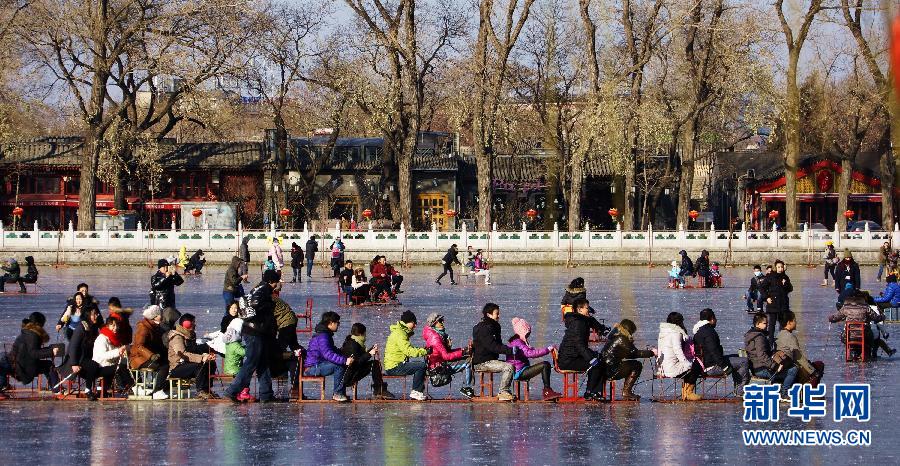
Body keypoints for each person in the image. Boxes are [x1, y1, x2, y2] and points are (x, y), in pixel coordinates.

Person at [226, 269, 280, 403]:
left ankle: (266, 394)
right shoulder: (264, 288)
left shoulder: (258, 287)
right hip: (254, 331)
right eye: (276, 282)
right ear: (271, 281)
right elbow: (256, 303)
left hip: (256, 330)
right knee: (251, 362)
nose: (276, 285)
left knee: (262, 363)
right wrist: (270, 305)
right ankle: (233, 390)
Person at [557, 298, 609, 400]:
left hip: (573, 356)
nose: (588, 310)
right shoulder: (578, 323)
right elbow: (579, 344)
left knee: (599, 359)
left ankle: (592, 391)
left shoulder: (580, 320)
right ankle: (591, 392)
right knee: (597, 364)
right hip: (569, 360)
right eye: (586, 308)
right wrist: (591, 358)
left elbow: (591, 321)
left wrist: (602, 329)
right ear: (579, 309)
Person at [693, 309, 750, 395]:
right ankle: (740, 391)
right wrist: (724, 367)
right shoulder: (709, 332)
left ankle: (737, 388)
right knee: (743, 361)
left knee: (737, 357)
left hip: (705, 363)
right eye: (715, 318)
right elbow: (714, 351)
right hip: (711, 366)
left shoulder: (698, 331)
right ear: (712, 319)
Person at [506, 317, 562, 401]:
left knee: (545, 365)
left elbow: (528, 352)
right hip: (519, 372)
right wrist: (548, 349)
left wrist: (531, 349)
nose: (528, 336)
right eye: (527, 333)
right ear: (522, 332)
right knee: (545, 365)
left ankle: (548, 390)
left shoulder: (516, 341)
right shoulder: (518, 342)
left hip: (521, 369)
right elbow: (530, 354)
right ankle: (547, 391)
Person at [829, 290, 896, 358]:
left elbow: (834, 318)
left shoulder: (846, 307)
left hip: (847, 336)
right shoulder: (865, 307)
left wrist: (831, 318)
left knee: (845, 334)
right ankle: (868, 353)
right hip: (864, 335)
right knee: (873, 336)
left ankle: (854, 351)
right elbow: (876, 318)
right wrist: (882, 316)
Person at [599, 319, 655, 401]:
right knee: (637, 365)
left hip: (605, 367)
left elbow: (628, 354)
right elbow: (634, 353)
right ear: (629, 330)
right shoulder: (622, 338)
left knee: (633, 363)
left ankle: (627, 391)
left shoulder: (614, 335)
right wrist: (651, 353)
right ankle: (627, 392)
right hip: (612, 370)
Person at [471, 303, 516, 402]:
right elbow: (492, 346)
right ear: (489, 314)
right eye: (497, 314)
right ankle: (503, 392)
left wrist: (510, 349)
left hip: (491, 359)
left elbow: (498, 344)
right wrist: (510, 350)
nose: (499, 316)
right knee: (508, 367)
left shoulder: (495, 326)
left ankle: (505, 391)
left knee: (512, 364)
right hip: (482, 362)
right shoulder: (483, 328)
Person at [167, 314, 218, 400]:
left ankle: (207, 389)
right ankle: (201, 390)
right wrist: (202, 358)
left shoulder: (190, 335)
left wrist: (206, 355)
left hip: (187, 364)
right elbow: (183, 353)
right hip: (177, 367)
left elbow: (193, 350)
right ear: (187, 324)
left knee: (210, 363)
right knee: (199, 365)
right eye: (193, 322)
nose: (195, 324)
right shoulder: (177, 337)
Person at [422, 312, 472, 398]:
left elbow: (444, 353)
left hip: (440, 363)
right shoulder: (435, 338)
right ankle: (466, 388)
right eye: (440, 321)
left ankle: (467, 387)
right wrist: (463, 352)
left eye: (442, 320)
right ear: (434, 323)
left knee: (467, 357)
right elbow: (446, 356)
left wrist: (463, 350)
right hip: (438, 369)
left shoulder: (438, 335)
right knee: (468, 362)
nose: (442, 323)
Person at [744, 312, 798, 393]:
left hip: (756, 367)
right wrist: (774, 366)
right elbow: (761, 355)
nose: (767, 325)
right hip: (761, 369)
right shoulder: (759, 337)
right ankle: (784, 392)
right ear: (758, 324)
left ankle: (778, 388)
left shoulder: (751, 335)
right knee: (793, 369)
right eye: (765, 323)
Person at [383, 310, 430, 401]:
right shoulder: (400, 334)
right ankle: (416, 392)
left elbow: (408, 348)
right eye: (414, 323)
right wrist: (425, 351)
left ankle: (417, 390)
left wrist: (422, 350)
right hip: (395, 367)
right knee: (421, 366)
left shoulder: (400, 332)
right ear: (408, 322)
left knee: (418, 364)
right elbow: (408, 351)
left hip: (394, 364)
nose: (415, 325)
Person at [341, 323, 395, 400]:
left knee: (375, 364)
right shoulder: (352, 345)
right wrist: (369, 354)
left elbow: (360, 357)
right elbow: (357, 363)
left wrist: (371, 350)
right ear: (361, 333)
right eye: (365, 334)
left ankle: (379, 388)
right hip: (349, 376)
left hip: (352, 372)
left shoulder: (355, 342)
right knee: (374, 364)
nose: (365, 336)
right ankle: (379, 389)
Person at [9, 312, 61, 390]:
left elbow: (32, 351)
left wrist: (49, 350)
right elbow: (33, 353)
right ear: (39, 323)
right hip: (23, 367)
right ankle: (57, 389)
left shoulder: (26, 331)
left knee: (47, 364)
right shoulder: (33, 335)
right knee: (49, 366)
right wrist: (51, 352)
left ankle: (55, 388)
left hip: (19, 363)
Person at [657, 312, 702, 401]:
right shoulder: (676, 333)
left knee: (690, 364)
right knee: (696, 365)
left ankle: (685, 393)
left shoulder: (664, 332)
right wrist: (687, 364)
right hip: (671, 367)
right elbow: (677, 350)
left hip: (662, 367)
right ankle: (689, 392)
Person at [130, 305, 170, 400]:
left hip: (145, 357)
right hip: (138, 358)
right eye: (160, 314)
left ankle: (159, 388)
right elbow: (139, 346)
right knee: (163, 366)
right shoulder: (144, 327)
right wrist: (151, 355)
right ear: (154, 316)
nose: (162, 316)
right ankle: (157, 390)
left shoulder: (154, 326)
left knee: (166, 362)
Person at [776, 311, 824, 387]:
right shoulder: (790, 337)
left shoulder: (779, 334)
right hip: (790, 367)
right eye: (794, 320)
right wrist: (812, 371)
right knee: (819, 365)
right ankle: (812, 392)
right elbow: (799, 357)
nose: (796, 322)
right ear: (789, 322)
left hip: (782, 365)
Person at [92, 316, 134, 397]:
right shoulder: (102, 339)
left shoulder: (115, 338)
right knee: (121, 367)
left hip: (110, 364)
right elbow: (102, 355)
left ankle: (129, 386)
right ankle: (131, 386)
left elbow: (118, 353)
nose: (115, 328)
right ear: (107, 326)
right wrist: (118, 351)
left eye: (117, 325)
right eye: (113, 325)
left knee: (129, 365)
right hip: (100, 365)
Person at [759, 259, 792, 345]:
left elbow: (790, 289)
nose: (780, 269)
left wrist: (785, 284)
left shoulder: (785, 277)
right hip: (773, 304)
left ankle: (782, 342)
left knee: (782, 325)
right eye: (778, 267)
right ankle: (770, 342)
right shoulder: (770, 277)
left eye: (781, 267)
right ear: (775, 268)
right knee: (772, 325)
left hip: (783, 305)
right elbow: (761, 288)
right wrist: (767, 297)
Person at [222, 310, 244, 377]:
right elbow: (244, 352)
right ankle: (244, 387)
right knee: (247, 371)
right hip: (235, 369)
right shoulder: (235, 344)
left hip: (229, 368)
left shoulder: (228, 343)